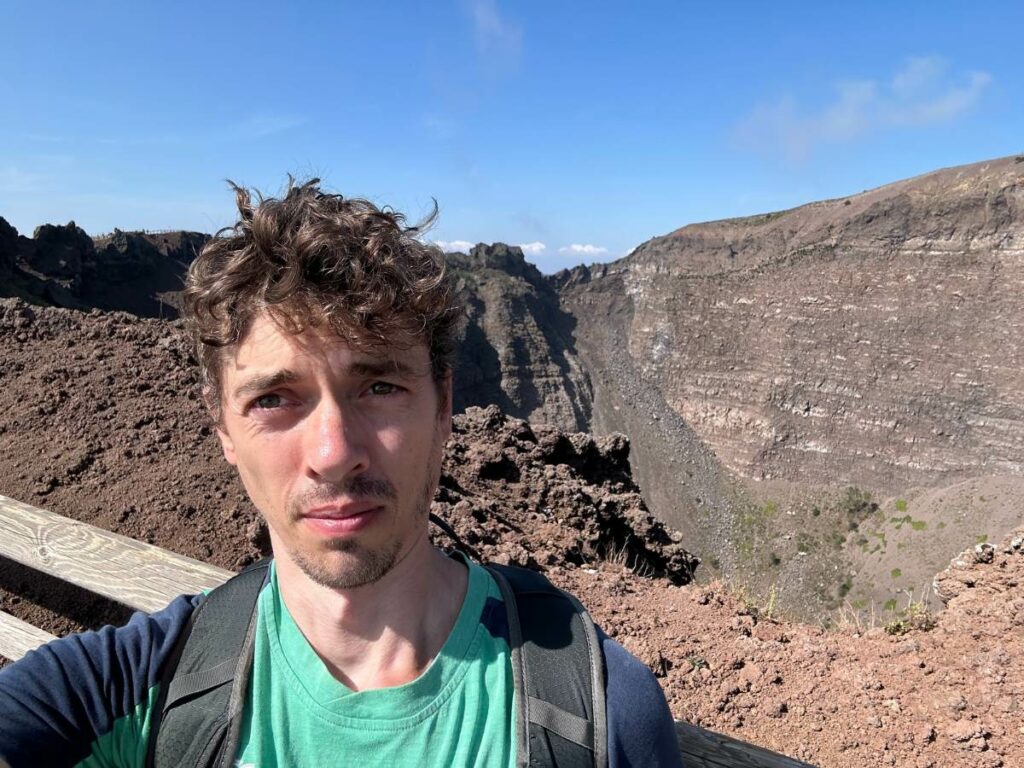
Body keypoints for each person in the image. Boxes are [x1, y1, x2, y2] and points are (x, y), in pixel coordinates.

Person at [0, 179, 682, 767]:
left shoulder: (597, 717)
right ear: (223, 430)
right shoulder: (137, 690)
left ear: (444, 405)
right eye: (274, 399)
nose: (333, 451)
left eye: (379, 387)